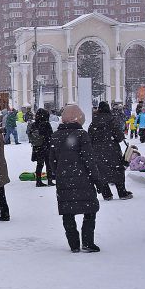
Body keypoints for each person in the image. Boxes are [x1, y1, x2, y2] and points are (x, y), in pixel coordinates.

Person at [49, 104, 101, 253]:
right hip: (83, 179)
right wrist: (97, 180)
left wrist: (58, 173)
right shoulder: (81, 135)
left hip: (64, 180)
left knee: (67, 213)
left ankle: (74, 244)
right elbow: (89, 160)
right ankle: (87, 242)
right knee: (90, 211)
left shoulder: (55, 136)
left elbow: (52, 161)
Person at [89, 102, 133, 201]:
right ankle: (122, 193)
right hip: (112, 150)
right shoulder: (111, 119)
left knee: (101, 171)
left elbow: (89, 137)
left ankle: (107, 194)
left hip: (97, 151)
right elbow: (119, 136)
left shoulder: (94, 122)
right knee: (117, 170)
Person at [27, 108, 54, 187]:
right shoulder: (46, 124)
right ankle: (50, 180)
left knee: (39, 164)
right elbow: (50, 135)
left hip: (37, 147)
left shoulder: (34, 124)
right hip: (46, 146)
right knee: (48, 164)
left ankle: (38, 181)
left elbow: (30, 135)